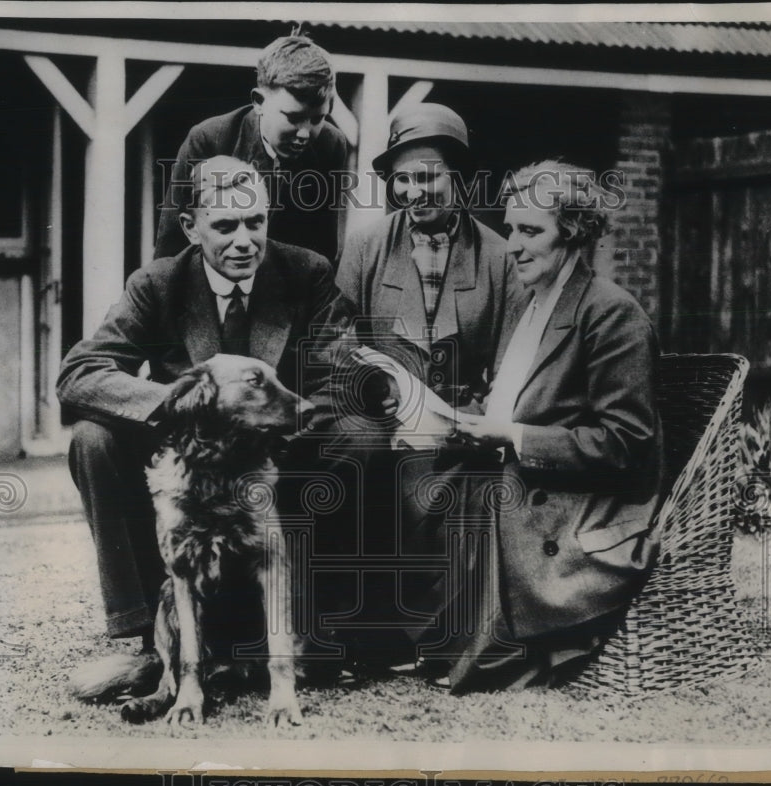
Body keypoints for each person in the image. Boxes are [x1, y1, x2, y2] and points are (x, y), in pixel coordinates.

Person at [57, 155, 355, 652]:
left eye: (255, 222)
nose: (244, 241)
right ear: (191, 228)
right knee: (92, 439)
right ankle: (146, 625)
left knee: (353, 434)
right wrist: (188, 405)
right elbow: (81, 373)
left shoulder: (306, 272)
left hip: (280, 448)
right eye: (225, 225)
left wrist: (279, 425)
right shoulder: (156, 283)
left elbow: (340, 378)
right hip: (191, 454)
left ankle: (324, 625)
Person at [441, 160, 665, 692]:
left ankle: (486, 642)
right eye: (510, 228)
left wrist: (514, 437)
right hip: (530, 485)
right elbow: (524, 399)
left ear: (573, 233)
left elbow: (625, 443)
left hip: (582, 509)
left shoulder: (612, 313)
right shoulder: (535, 304)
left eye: (529, 231)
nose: (511, 245)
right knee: (421, 473)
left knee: (467, 494)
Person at [333, 103, 524, 668]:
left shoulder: (498, 255)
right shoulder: (367, 245)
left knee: (440, 475)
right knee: (354, 459)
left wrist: (478, 413)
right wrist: (379, 392)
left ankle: (437, 640)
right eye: (405, 180)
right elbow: (337, 336)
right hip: (379, 405)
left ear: (458, 178)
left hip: (461, 414)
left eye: (429, 178)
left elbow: (516, 355)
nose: (416, 192)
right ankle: (360, 634)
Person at [153, 35, 349, 264]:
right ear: (259, 102)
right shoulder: (208, 140)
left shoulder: (331, 145)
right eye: (293, 118)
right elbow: (172, 247)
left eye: (317, 119)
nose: (305, 133)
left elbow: (322, 248)